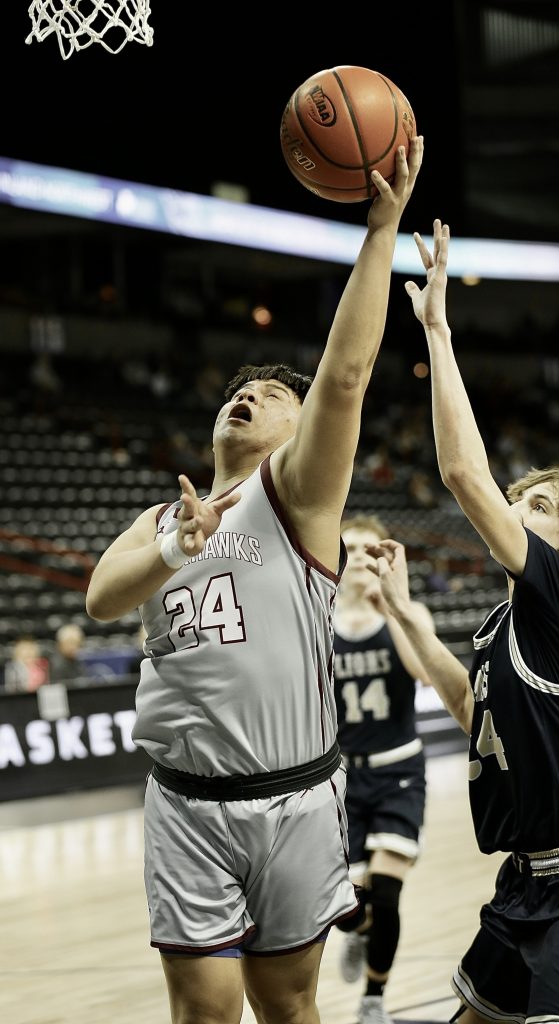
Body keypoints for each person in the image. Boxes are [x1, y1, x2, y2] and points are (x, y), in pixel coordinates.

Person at [85, 135, 424, 1024]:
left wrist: (380, 231)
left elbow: (346, 378)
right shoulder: (161, 520)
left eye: (275, 396)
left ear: (297, 429)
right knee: (203, 1015)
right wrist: (172, 549)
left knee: (287, 1007)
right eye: (240, 391)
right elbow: (99, 598)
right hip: (186, 803)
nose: (250, 395)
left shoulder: (298, 499)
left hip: (296, 797)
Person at [367, 220, 559, 1024]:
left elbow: (460, 470)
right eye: (520, 499)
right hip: (524, 881)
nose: (518, 509)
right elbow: (469, 707)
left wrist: (438, 332)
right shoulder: (505, 622)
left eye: (540, 505)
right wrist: (407, 616)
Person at [333, 513, 436, 1024]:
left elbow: (422, 671)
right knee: (348, 906)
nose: (358, 557)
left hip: (398, 770)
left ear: (384, 559)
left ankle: (374, 998)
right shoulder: (318, 619)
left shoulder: (408, 612)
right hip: (341, 782)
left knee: (388, 893)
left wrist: (393, 608)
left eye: (370, 550)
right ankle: (357, 932)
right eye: (349, 547)